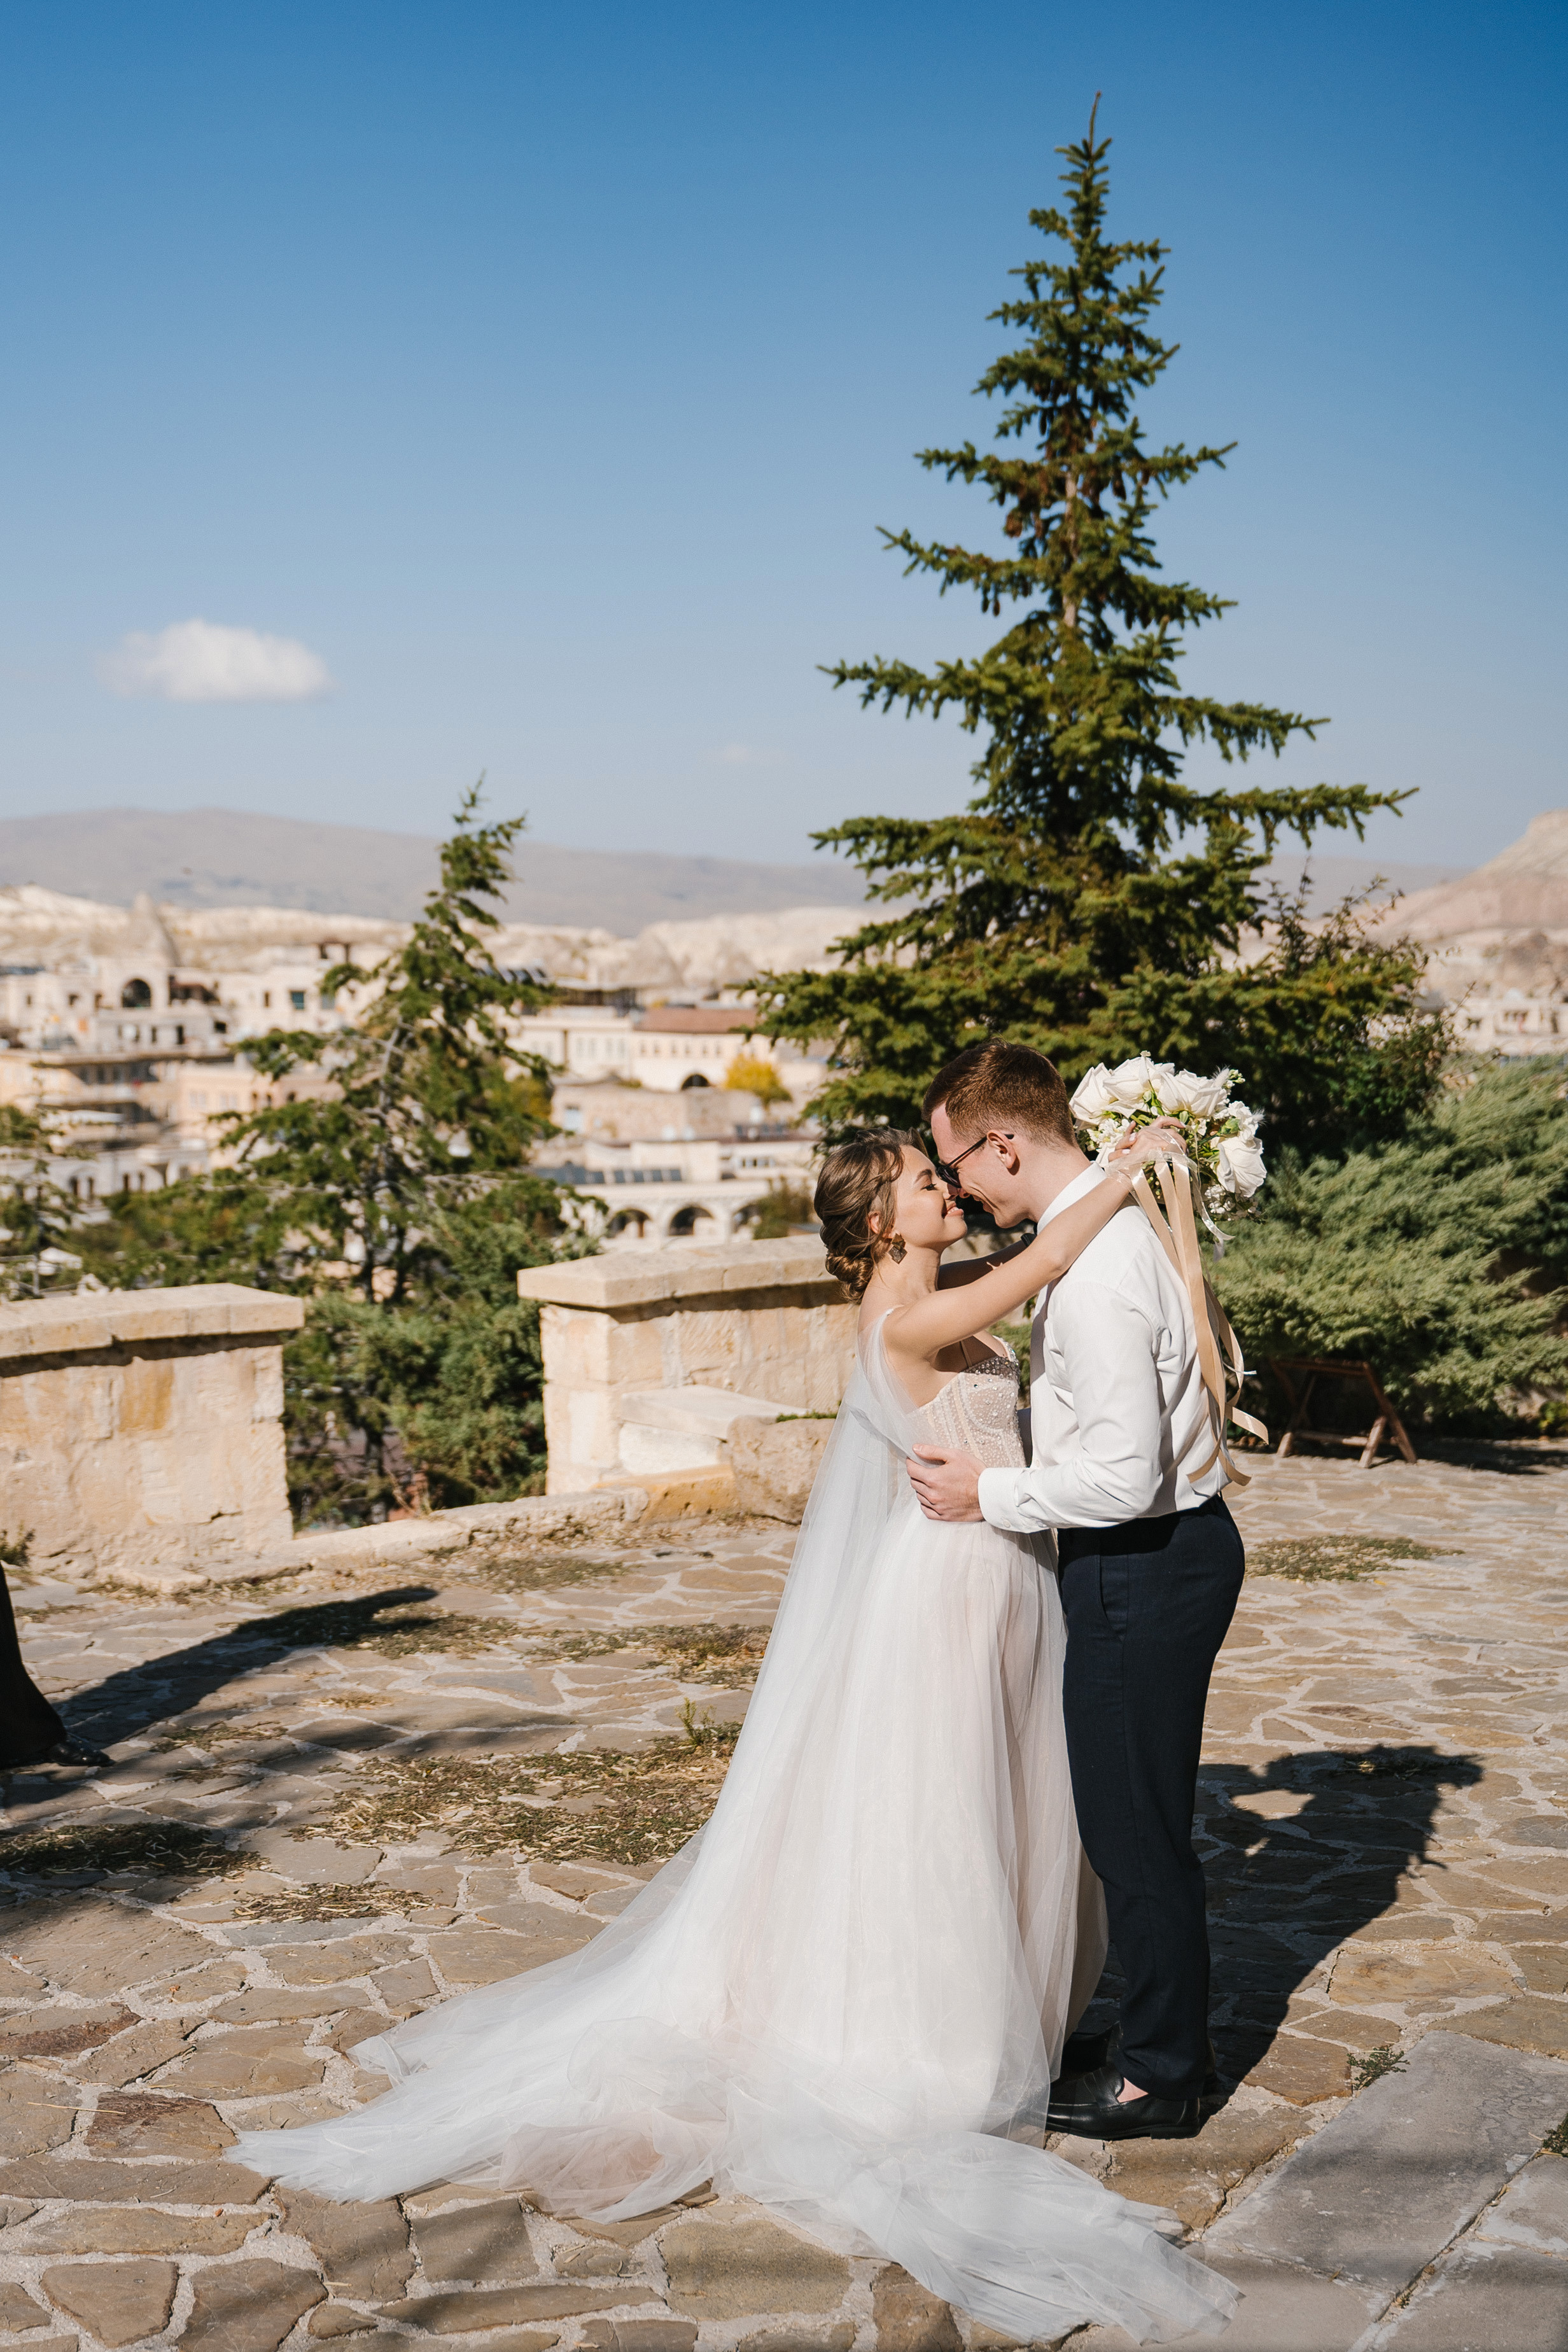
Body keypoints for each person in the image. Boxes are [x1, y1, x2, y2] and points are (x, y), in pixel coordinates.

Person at [231, 1114, 1235, 2347]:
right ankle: (943, 2032)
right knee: (944, 1815)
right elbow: (1041, 1262)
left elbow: (1029, 1265)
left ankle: (1032, 2004)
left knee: (1013, 1807)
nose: (947, 1193)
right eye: (928, 1182)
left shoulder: (943, 1296)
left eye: (944, 1173)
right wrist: (1121, 1175)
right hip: (950, 1596)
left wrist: (1104, 1172)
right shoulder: (899, 1322)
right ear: (880, 1220)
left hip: (1006, 1577)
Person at [913, 1039, 1247, 2143]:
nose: (954, 1183)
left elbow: (1118, 1475)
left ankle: (1162, 2078)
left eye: (953, 1161)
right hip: (1162, 1554)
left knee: (1131, 1833)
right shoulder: (1108, 1228)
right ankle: (1155, 2033)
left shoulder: (1100, 1276)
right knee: (1130, 1815)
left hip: (1142, 1565)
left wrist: (989, 1491)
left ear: (1002, 1142)